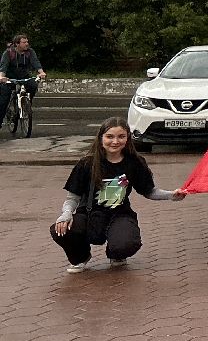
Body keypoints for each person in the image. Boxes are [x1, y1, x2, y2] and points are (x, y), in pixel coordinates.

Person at [50, 118, 189, 272]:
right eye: (110, 136)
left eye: (121, 136)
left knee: (127, 243)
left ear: (127, 138)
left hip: (119, 214)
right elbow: (73, 197)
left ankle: (117, 253)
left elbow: (149, 191)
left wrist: (171, 195)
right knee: (60, 229)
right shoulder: (87, 163)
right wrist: (66, 214)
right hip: (89, 214)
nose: (115, 141)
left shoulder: (135, 162)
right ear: (101, 137)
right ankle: (80, 257)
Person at [0, 33, 47, 124]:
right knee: (3, 99)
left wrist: (41, 72)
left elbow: (35, 62)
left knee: (33, 85)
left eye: (27, 42)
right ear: (17, 44)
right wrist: (1, 77)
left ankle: (26, 104)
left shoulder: (30, 51)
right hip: (10, 77)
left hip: (24, 76)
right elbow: (3, 66)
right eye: (24, 42)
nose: (26, 44)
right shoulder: (8, 53)